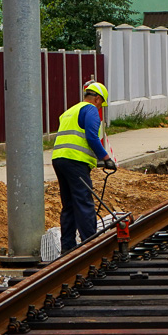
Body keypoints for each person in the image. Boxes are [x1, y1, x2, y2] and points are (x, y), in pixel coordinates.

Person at [51, 81, 116, 253]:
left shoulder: (70, 111)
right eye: (101, 103)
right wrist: (106, 157)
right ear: (97, 99)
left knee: (69, 205)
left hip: (59, 159)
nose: (100, 107)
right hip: (75, 161)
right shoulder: (90, 110)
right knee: (84, 202)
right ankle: (91, 246)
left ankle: (68, 248)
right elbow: (92, 137)